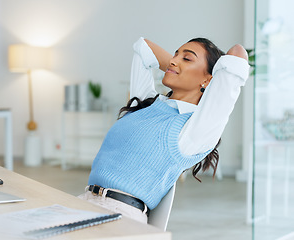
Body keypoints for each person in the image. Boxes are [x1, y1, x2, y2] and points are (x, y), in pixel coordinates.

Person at [78, 36, 250, 224]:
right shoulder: (146, 103)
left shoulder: (195, 128)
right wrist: (178, 67)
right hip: (84, 201)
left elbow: (237, 55)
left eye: (187, 58)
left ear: (209, 80)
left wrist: (189, 73)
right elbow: (143, 48)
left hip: (120, 215)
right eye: (175, 55)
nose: (173, 60)